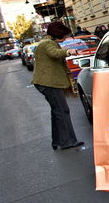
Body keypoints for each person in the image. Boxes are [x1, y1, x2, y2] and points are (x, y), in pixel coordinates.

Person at [32, 21, 84, 151]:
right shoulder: (47, 44)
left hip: (46, 83)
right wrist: (68, 52)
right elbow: (54, 53)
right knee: (62, 111)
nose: (64, 39)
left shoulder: (46, 42)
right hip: (49, 83)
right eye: (63, 36)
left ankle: (57, 141)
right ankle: (67, 141)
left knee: (57, 112)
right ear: (57, 34)